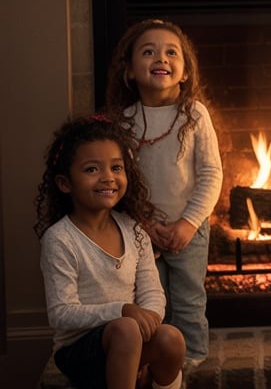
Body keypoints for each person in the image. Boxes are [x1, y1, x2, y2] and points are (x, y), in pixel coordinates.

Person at [36, 115, 186, 389]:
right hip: (80, 351)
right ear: (65, 183)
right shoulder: (60, 239)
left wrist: (150, 320)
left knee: (171, 338)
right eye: (92, 169)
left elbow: (152, 291)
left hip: (131, 338)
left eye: (116, 167)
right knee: (125, 328)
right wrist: (122, 311)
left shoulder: (134, 230)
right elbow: (61, 313)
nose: (108, 177)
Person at [104, 19, 223, 367]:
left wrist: (188, 223)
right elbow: (121, 181)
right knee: (151, 299)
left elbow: (211, 173)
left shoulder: (194, 115)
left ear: (185, 72)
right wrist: (142, 224)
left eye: (172, 52)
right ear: (129, 70)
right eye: (148, 52)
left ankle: (192, 359)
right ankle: (158, 356)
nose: (161, 58)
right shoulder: (123, 121)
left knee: (188, 298)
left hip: (190, 229)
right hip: (141, 231)